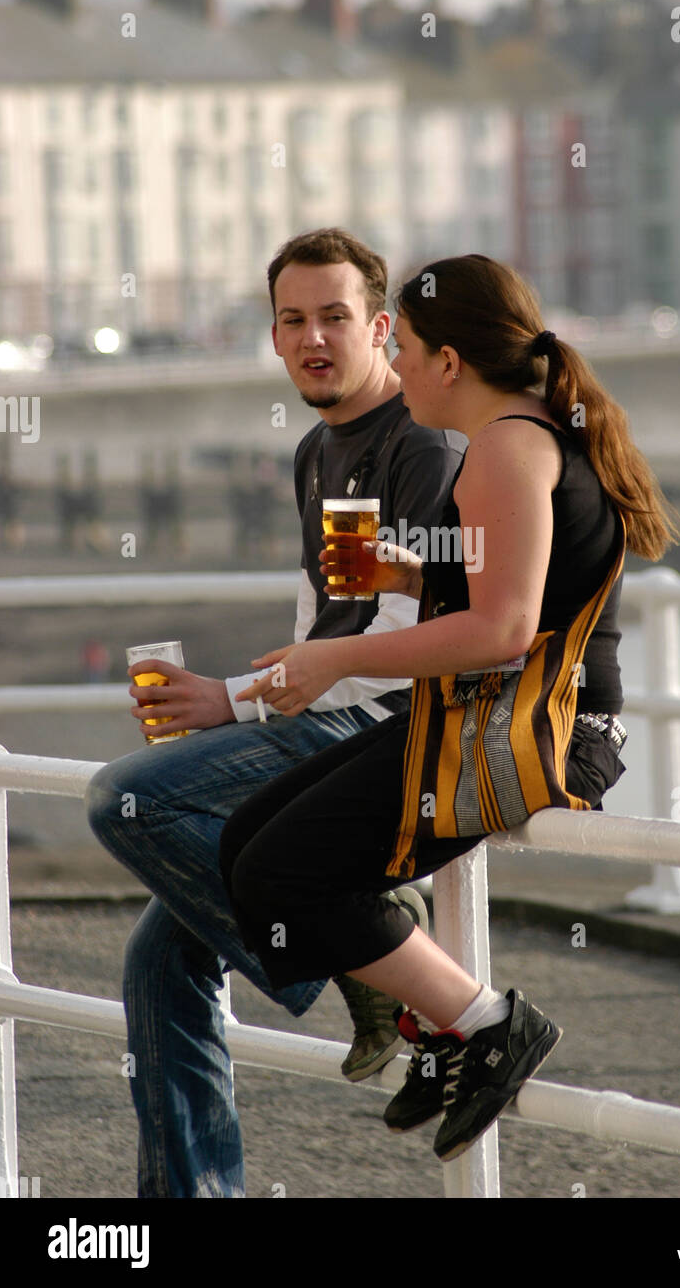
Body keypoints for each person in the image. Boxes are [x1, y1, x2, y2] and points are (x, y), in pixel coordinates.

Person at [217, 253, 680, 1166]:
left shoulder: (507, 447)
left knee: (280, 874)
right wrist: (402, 574)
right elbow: (517, 587)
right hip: (495, 721)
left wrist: (336, 655)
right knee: (247, 846)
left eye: (411, 349)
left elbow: (504, 628)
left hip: (545, 740)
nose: (398, 372)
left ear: (449, 362)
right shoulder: (521, 432)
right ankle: (440, 1026)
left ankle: (488, 1024)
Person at [85, 228, 468, 1197]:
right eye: (293, 320)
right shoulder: (315, 451)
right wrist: (234, 709)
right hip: (318, 721)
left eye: (335, 317)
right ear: (272, 337)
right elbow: (314, 622)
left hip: (391, 731)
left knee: (121, 801)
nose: (314, 339)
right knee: (158, 958)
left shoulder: (424, 446)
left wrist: (235, 700)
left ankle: (358, 959)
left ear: (380, 326)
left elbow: (393, 644)